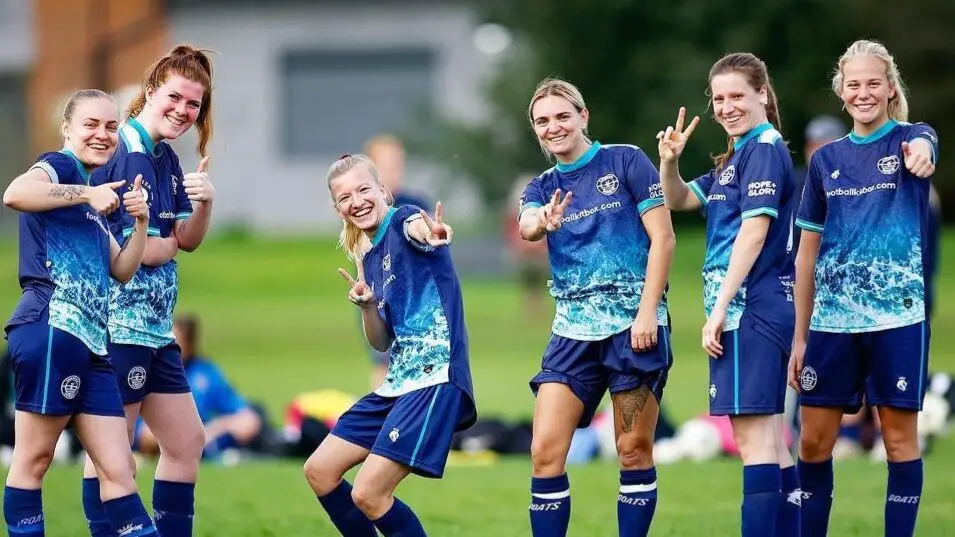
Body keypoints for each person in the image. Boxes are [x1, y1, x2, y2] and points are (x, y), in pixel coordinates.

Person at [789, 39, 938, 537]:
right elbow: (806, 253)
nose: (863, 92)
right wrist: (800, 336)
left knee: (899, 443)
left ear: (890, 88)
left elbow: (926, 145)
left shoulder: (911, 139)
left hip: (899, 321)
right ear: (842, 92)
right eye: (854, 84)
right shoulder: (824, 161)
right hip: (832, 324)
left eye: (874, 82)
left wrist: (921, 153)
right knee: (812, 443)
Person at [519, 78, 676, 537]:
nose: (554, 127)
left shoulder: (625, 161)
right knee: (545, 452)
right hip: (572, 336)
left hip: (635, 331)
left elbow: (663, 239)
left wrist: (648, 312)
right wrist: (540, 223)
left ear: (583, 117)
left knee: (632, 450)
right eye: (543, 121)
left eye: (563, 116)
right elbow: (528, 223)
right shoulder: (542, 187)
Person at [2, 89, 160, 536]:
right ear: (68, 129)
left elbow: (122, 269)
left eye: (111, 126)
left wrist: (143, 224)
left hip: (91, 343)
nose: (102, 134)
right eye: (91, 124)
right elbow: (15, 193)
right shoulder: (59, 166)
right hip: (50, 326)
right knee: (34, 460)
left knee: (119, 468)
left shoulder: (92, 199)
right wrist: (84, 196)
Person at [656, 53, 800, 537]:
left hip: (751, 309)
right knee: (770, 440)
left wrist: (718, 311)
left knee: (754, 439)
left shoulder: (762, 148)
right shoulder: (736, 157)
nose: (726, 106)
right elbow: (678, 200)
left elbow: (754, 233)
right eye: (718, 98)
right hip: (755, 310)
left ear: (762, 93)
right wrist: (669, 163)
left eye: (737, 94)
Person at [82, 44, 218, 537]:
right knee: (111, 456)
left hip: (155, 332)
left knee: (185, 442)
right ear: (151, 89)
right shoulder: (126, 150)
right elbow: (134, 248)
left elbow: (186, 240)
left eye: (194, 105)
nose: (183, 111)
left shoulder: (165, 156)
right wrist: (166, 241)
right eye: (175, 97)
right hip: (119, 327)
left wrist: (203, 204)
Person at [303, 154, 476, 536]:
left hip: (434, 378)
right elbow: (380, 342)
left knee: (369, 493)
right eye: (345, 197)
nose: (357, 201)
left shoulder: (403, 219)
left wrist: (432, 232)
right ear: (338, 208)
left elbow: (419, 228)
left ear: (383, 191)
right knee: (320, 471)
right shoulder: (369, 255)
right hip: (398, 382)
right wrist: (367, 307)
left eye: (364, 189)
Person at [133, 314, 263, 461]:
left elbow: (246, 416)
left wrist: (217, 428)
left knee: (249, 422)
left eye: (174, 343)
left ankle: (207, 451)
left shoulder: (205, 372)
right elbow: (144, 433)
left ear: (189, 345)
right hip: (162, 435)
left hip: (206, 434)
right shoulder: (148, 372)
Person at [362, 134, 433, 388]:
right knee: (383, 361)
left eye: (397, 165)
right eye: (385, 165)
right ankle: (379, 421)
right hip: (381, 297)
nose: (392, 172)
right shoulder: (365, 210)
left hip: (416, 301)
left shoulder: (415, 204)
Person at [503, 174, 550, 319]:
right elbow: (511, 234)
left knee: (538, 280)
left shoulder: (542, 209)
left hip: (537, 252)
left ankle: (535, 305)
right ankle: (531, 305)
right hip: (525, 252)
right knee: (528, 281)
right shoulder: (513, 214)